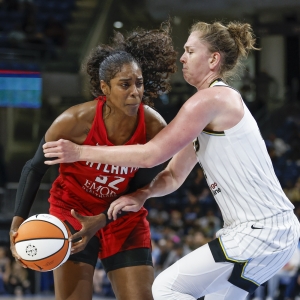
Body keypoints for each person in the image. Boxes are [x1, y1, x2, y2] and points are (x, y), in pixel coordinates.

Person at [43, 20, 300, 300]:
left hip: (257, 230)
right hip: (276, 232)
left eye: (190, 51)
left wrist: (80, 152)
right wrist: (144, 193)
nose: (182, 57)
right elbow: (174, 176)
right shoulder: (213, 108)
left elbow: (151, 154)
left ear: (214, 59)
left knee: (165, 289)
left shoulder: (210, 99)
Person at [10, 23, 177, 300]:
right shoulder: (73, 122)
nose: (135, 91)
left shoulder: (153, 127)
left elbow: (139, 188)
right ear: (104, 88)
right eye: (125, 84)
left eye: (139, 83)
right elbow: (34, 168)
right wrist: (17, 223)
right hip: (71, 214)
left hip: (122, 216)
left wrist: (101, 219)